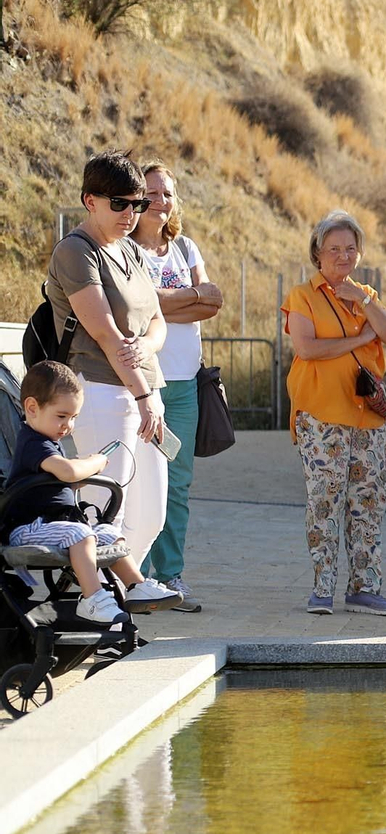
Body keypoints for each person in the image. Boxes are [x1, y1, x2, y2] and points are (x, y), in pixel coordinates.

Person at [44, 151, 178, 588]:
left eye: (137, 204)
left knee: (151, 512)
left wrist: (146, 349)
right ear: (90, 201)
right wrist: (141, 396)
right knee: (105, 506)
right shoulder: (75, 251)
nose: (129, 213)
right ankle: (91, 604)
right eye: (118, 203)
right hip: (101, 389)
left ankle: (119, 594)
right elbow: (104, 333)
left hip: (145, 390)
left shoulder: (132, 251)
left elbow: (157, 322)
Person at [282, 210, 386, 615]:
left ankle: (364, 588)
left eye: (350, 248)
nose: (343, 256)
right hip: (320, 415)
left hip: (367, 417)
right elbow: (307, 349)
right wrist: (359, 338)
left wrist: (366, 303)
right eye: (334, 249)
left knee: (367, 501)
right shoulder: (302, 295)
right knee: (324, 501)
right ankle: (322, 588)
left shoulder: (365, 294)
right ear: (318, 252)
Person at [5, 362, 181, 623]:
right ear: (32, 408)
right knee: (81, 533)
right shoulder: (33, 443)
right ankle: (93, 599)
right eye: (62, 416)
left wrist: (74, 481)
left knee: (110, 534)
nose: (68, 425)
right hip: (28, 527)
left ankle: (135, 586)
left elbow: (60, 479)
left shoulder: (49, 441)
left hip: (54, 522)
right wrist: (94, 462)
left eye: (74, 418)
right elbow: (67, 472)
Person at [132, 160, 222, 613]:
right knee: (140, 480)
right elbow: (139, 310)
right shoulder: (125, 250)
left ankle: (170, 576)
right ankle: (137, 577)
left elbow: (214, 300)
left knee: (177, 485)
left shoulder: (185, 247)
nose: (160, 201)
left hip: (185, 387)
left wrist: (165, 304)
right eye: (151, 193)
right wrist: (183, 300)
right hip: (142, 387)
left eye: (167, 193)